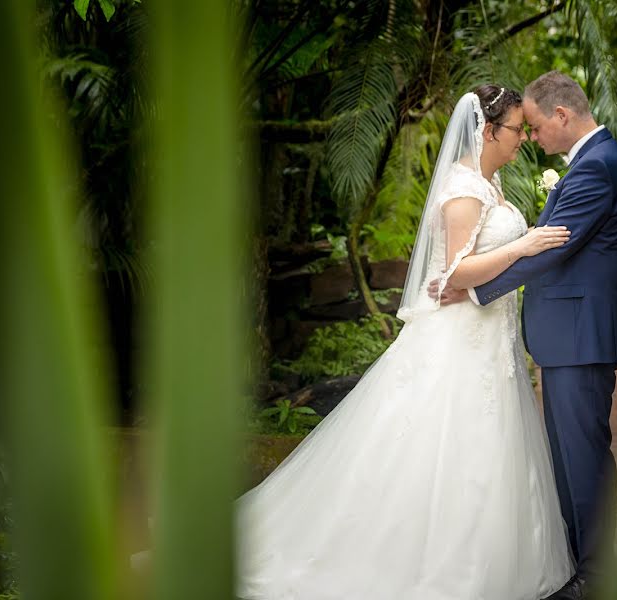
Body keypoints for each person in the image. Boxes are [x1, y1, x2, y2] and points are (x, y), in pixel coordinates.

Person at [236, 85, 575, 599]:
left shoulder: (493, 182)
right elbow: (455, 275)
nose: (521, 139)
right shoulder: (464, 189)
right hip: (459, 345)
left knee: (488, 454)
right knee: (439, 451)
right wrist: (524, 246)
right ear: (487, 131)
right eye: (514, 130)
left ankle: (490, 563)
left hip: (491, 342)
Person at [432, 71, 617, 600]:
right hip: (570, 334)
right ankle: (578, 561)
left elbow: (552, 247)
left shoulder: (595, 168)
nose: (534, 140)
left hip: (580, 336)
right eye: (523, 129)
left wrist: (475, 288)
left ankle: (594, 573)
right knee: (570, 453)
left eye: (539, 127)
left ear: (563, 116)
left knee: (582, 452)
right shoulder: (595, 162)